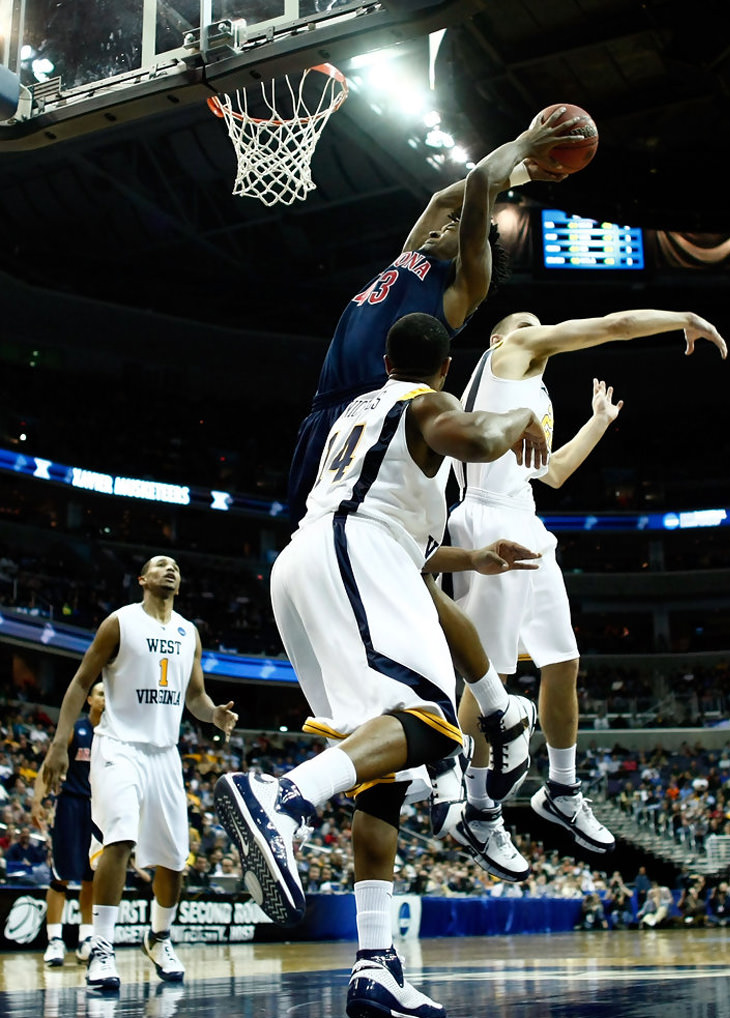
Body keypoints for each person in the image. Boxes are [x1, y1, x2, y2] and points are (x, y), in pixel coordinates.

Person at [215, 313, 548, 1018]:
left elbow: (400, 531)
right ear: (447, 371)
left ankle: (376, 967)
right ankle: (285, 799)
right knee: (429, 724)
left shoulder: (360, 411)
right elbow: (485, 438)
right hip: (352, 554)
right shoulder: (427, 404)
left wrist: (473, 558)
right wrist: (520, 413)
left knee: (385, 777)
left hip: (321, 556)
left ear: (387, 357)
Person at [443, 307, 728, 873]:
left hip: (525, 519)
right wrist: (683, 318)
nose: (538, 327)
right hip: (488, 522)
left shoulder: (528, 393)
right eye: (527, 323)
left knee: (564, 661)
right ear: (503, 338)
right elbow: (614, 325)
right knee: (490, 673)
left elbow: (553, 473)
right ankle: (476, 805)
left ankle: (563, 791)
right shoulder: (509, 356)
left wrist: (597, 421)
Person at [287, 108, 583, 528]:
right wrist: (523, 174)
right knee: (305, 537)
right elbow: (442, 200)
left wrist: (523, 145)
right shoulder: (412, 256)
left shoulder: (461, 287)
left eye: (452, 229)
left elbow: (479, 184)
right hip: (326, 409)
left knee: (357, 536)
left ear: (467, 245)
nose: (437, 229)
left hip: (378, 409)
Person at [39, 554, 238, 992]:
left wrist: (214, 716)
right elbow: (78, 682)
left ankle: (159, 937)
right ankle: (103, 947)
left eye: (176, 568)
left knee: (173, 863)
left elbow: (197, 698)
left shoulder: (189, 633)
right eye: (160, 565)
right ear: (143, 579)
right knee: (121, 838)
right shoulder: (120, 623)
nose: (170, 570)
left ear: (179, 585)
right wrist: (59, 741)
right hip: (118, 746)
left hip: (165, 754)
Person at [31, 681, 105, 967]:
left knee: (91, 878)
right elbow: (49, 764)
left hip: (99, 808)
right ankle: (55, 940)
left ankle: (87, 938)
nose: (105, 698)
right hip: (71, 804)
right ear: (89, 699)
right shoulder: (78, 729)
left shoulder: (113, 735)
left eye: (108, 694)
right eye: (100, 694)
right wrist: (37, 801)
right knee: (61, 875)